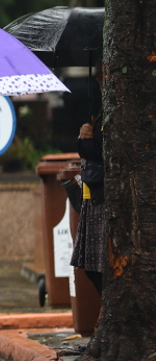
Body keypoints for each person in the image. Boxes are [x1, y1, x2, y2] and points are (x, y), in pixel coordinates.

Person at [70, 110, 106, 295]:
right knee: (90, 265)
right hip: (92, 195)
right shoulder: (99, 113)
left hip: (102, 197)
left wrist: (88, 142)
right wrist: (84, 138)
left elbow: (103, 150)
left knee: (99, 265)